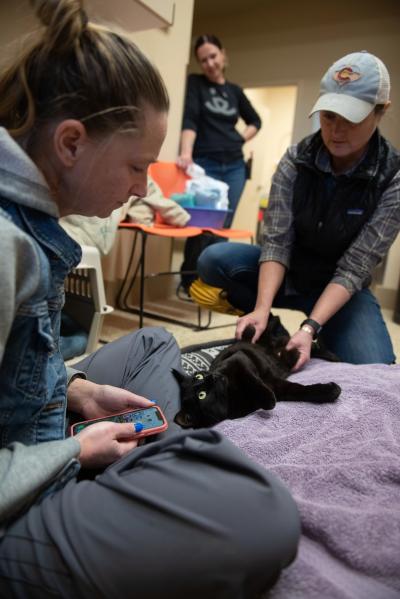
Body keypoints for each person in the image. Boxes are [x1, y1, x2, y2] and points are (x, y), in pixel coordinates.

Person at [0, 2, 300, 597]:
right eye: (137, 166)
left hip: (34, 432)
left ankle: (142, 461)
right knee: (264, 514)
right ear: (70, 143)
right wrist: (72, 453)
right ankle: (135, 477)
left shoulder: (29, 221)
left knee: (155, 343)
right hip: (18, 500)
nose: (142, 188)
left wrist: (78, 390)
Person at [197, 51, 400, 370]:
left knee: (375, 367)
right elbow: (277, 242)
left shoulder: (392, 176)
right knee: (212, 260)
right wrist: (261, 308)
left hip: (340, 285)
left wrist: (310, 328)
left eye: (352, 118)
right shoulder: (296, 159)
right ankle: (269, 323)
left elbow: (355, 266)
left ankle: (323, 328)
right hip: (290, 271)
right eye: (329, 116)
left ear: (380, 112)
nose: (336, 130)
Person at [177, 34, 262, 293]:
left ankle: (212, 282)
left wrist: (237, 139)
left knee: (223, 226)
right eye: (203, 60)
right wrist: (185, 152)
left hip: (235, 167)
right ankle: (189, 280)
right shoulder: (196, 84)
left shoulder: (235, 91)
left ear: (223, 55)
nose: (210, 64)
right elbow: (190, 120)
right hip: (206, 164)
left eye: (213, 56)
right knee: (201, 226)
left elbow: (255, 121)